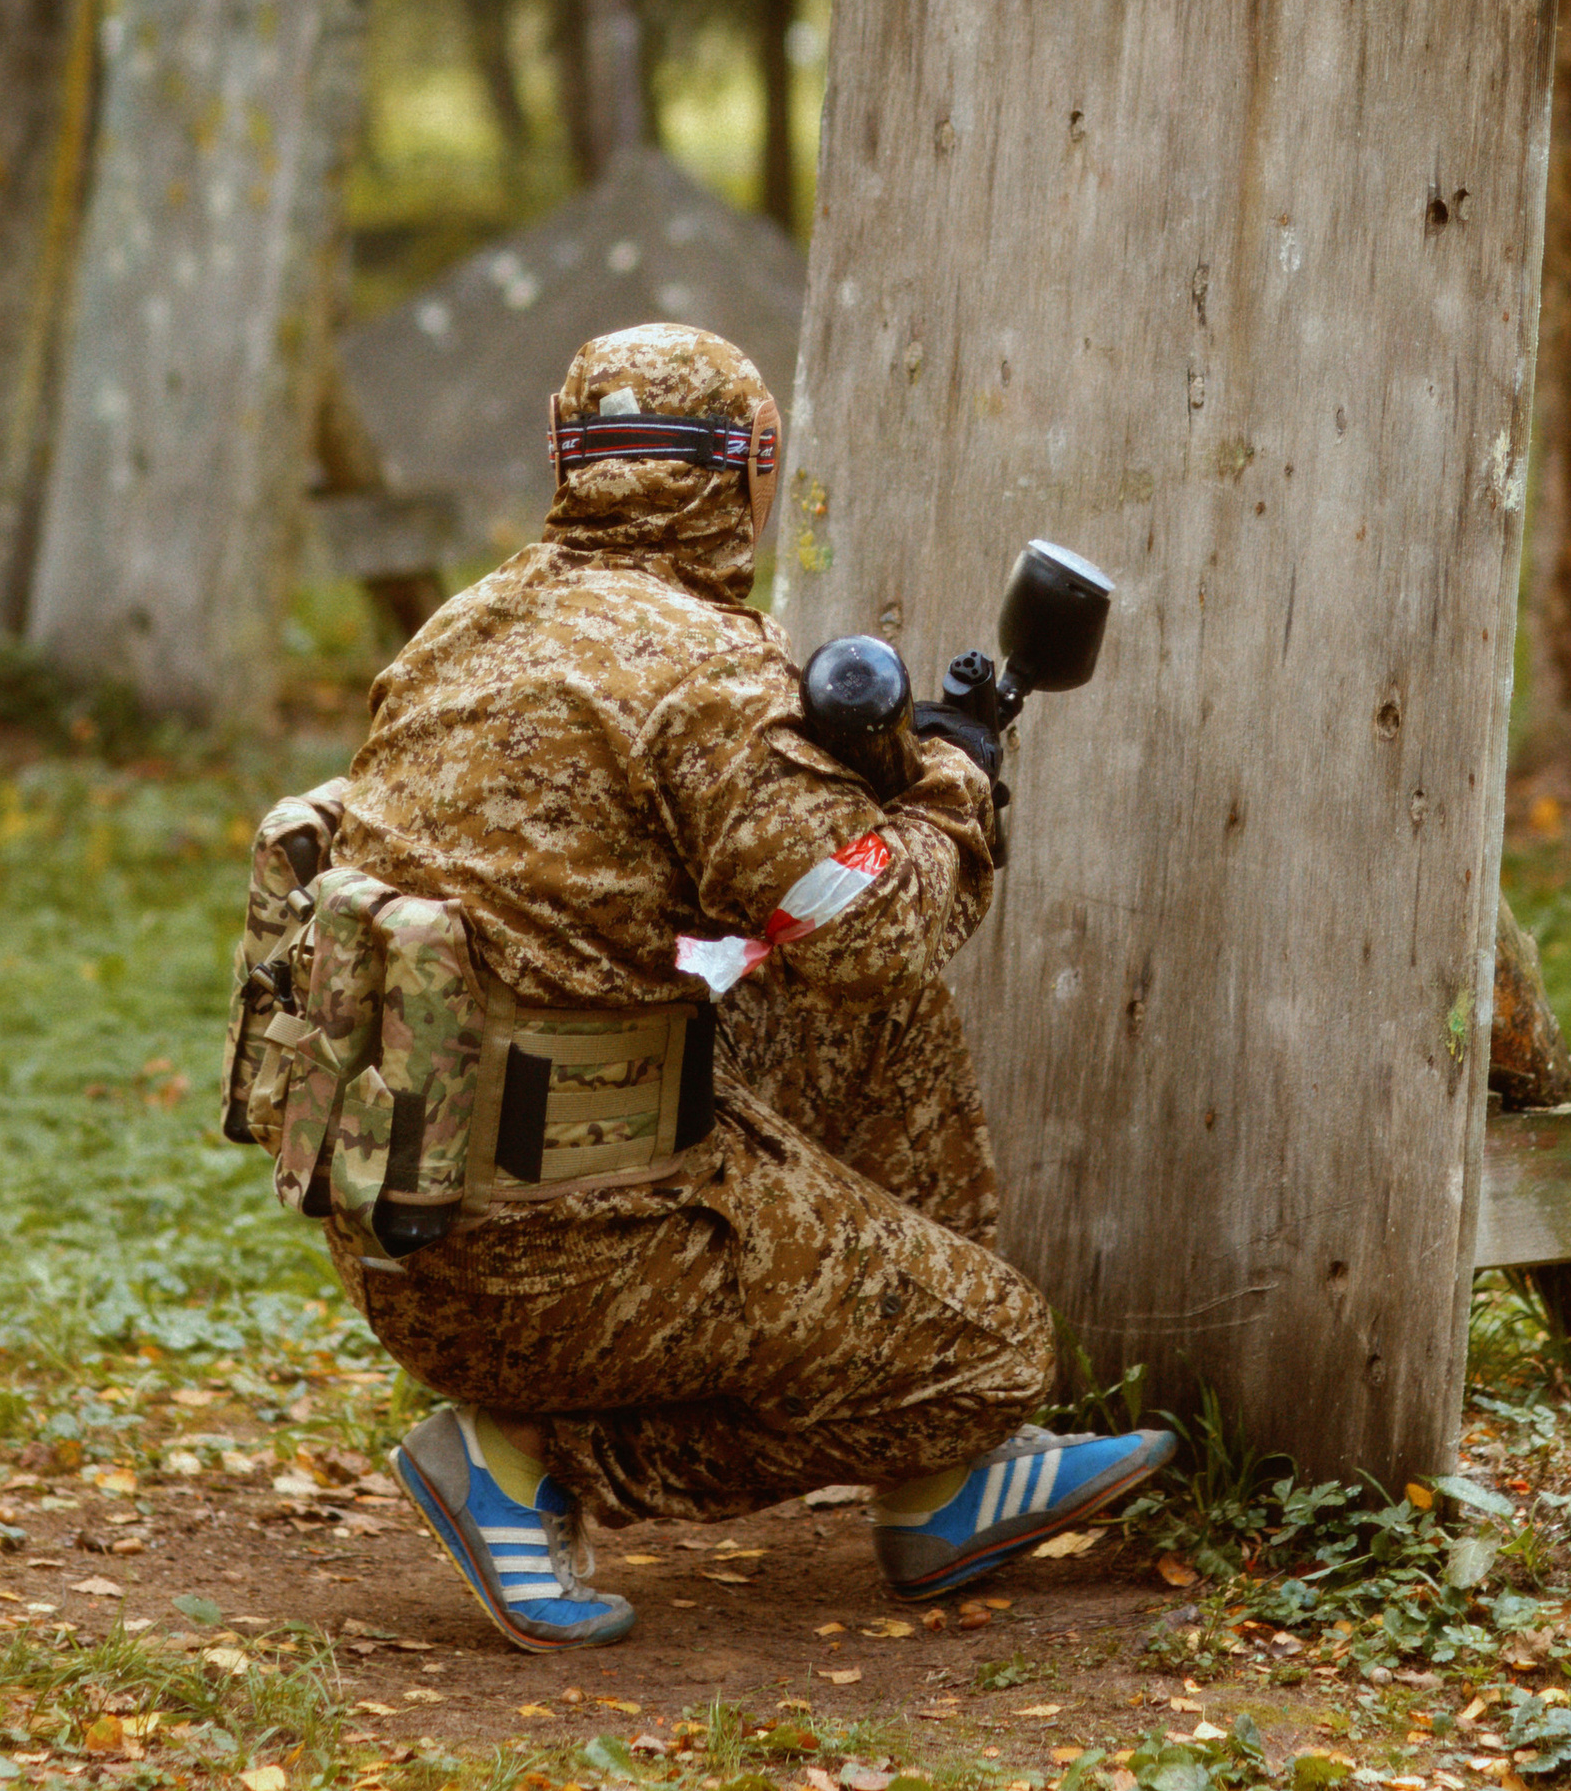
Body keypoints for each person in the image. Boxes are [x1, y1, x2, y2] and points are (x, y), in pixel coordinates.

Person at [314, 318, 1171, 1650]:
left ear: (567, 456)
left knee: (869, 1026)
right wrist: (953, 784)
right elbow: (877, 929)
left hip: (401, 1218)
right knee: (999, 1351)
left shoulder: (456, 632)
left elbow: (718, 914)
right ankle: (530, 1465)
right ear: (754, 466)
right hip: (564, 1252)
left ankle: (942, 1484)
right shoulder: (704, 673)